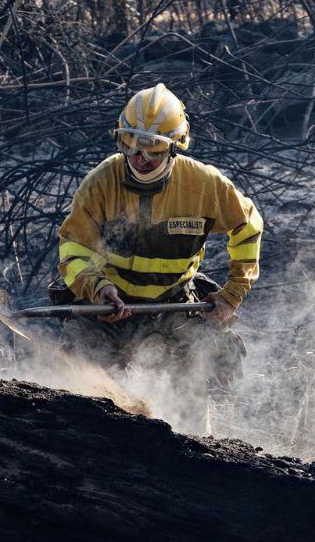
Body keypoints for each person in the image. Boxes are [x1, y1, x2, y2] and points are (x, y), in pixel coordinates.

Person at [54, 83, 262, 393]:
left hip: (173, 307)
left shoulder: (204, 185)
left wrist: (231, 295)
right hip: (107, 309)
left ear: (176, 145)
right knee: (76, 382)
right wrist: (98, 289)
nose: (140, 158)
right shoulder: (100, 183)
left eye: (154, 148)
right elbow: (73, 250)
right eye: (131, 144)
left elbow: (248, 228)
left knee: (193, 392)